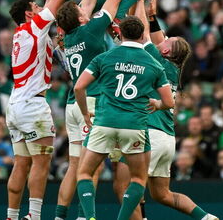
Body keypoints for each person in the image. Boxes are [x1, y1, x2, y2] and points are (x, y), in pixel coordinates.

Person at [53, 0, 134, 220]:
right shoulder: (90, 30)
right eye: (81, 11)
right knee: (93, 167)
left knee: (75, 165)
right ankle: (84, 216)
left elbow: (85, 6)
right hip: (92, 102)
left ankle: (60, 216)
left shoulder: (70, 36)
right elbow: (113, 0)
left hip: (73, 105)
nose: (85, 10)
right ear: (80, 19)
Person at [5, 0, 84, 220]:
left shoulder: (20, 35)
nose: (41, 8)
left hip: (15, 105)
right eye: (36, 6)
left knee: (21, 163)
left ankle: (11, 215)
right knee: (41, 163)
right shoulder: (34, 27)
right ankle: (34, 215)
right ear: (29, 13)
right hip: (33, 106)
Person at [125, 0, 217, 220]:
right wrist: (152, 15)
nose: (164, 37)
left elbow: (143, 33)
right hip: (167, 139)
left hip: (151, 133)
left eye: (168, 39)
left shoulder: (156, 60)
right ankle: (206, 217)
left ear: (166, 51)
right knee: (162, 194)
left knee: (130, 185)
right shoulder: (170, 65)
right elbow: (156, 36)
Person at [73, 15, 175, 220]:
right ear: (142, 36)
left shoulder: (104, 57)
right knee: (138, 179)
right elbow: (169, 102)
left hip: (105, 122)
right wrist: (157, 105)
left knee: (84, 173)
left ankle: (89, 217)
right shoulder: (154, 64)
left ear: (120, 34)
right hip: (134, 126)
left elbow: (78, 87)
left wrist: (84, 112)